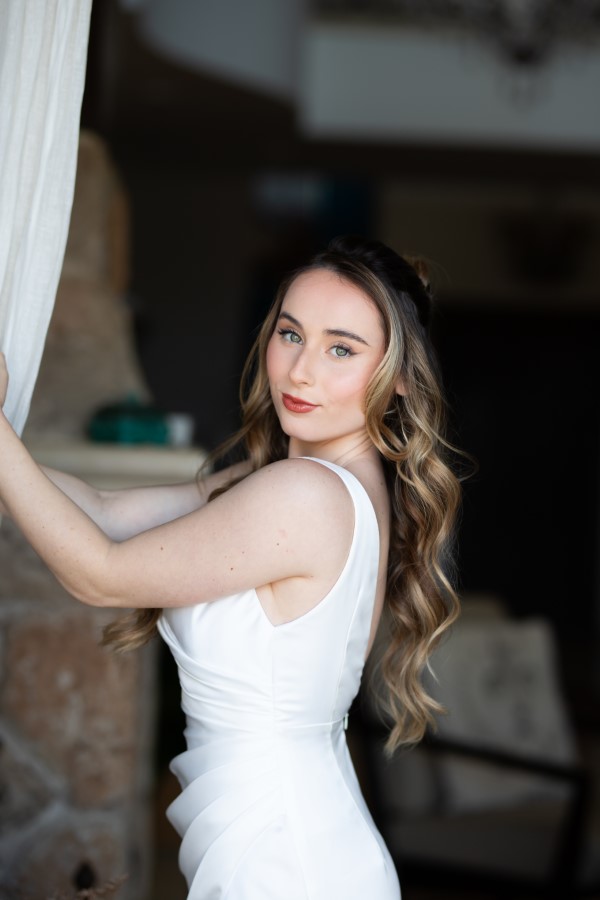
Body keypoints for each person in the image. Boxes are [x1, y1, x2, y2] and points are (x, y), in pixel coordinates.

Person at [0, 235, 461, 899]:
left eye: (341, 349)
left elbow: (99, 574)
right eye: (290, 334)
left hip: (286, 860)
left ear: (399, 377)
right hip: (281, 838)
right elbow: (104, 511)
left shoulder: (306, 495)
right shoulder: (296, 480)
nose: (299, 371)